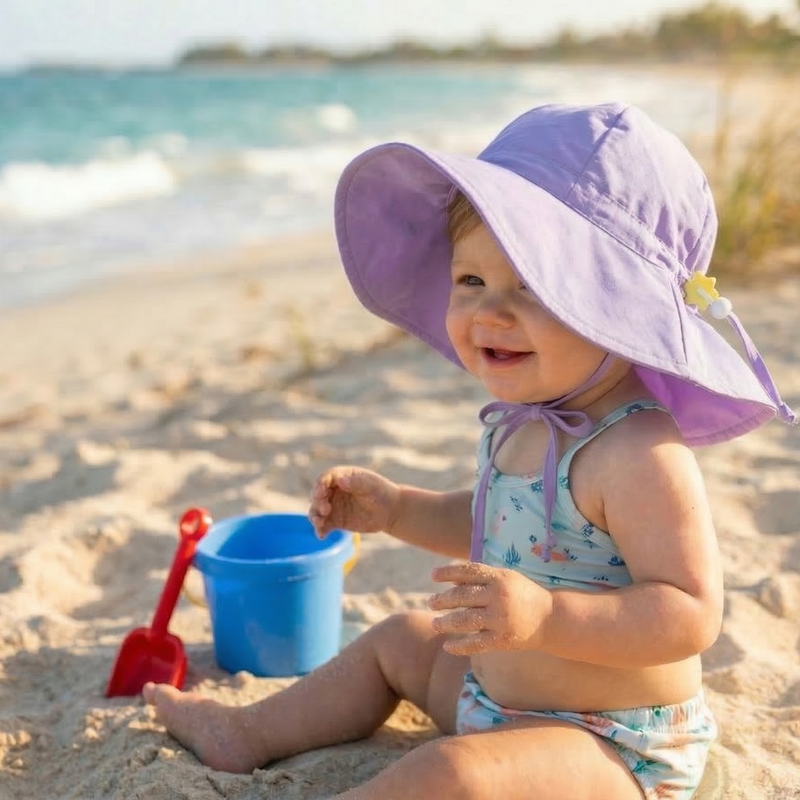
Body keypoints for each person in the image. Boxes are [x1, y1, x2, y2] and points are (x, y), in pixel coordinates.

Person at [143, 102, 796, 799]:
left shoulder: (638, 450)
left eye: (534, 287)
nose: (490, 312)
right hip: (493, 696)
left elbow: (689, 612)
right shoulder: (522, 421)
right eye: (472, 281)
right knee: (400, 639)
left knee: (452, 773)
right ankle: (247, 733)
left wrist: (546, 616)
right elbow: (501, 527)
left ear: (625, 310)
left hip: (612, 744)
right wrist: (398, 509)